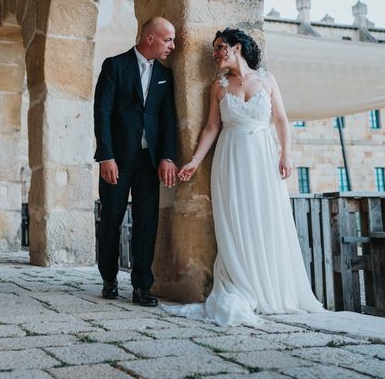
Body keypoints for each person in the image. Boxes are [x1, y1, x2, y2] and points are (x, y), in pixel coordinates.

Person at [165, 27, 323, 326]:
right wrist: (195, 161)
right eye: (214, 49)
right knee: (237, 221)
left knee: (267, 218)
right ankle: (244, 282)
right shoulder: (218, 86)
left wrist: (286, 154)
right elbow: (212, 127)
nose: (215, 54)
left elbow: (281, 120)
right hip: (231, 158)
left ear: (237, 47)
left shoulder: (267, 79)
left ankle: (273, 288)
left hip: (263, 157)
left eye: (219, 47)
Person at [94, 17, 178, 307]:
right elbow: (102, 112)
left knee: (147, 223)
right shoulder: (115, 66)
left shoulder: (165, 75)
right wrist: (106, 155)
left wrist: (167, 157)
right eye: (168, 40)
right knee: (111, 220)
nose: (173, 45)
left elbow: (168, 119)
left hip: (149, 161)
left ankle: (142, 286)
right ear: (151, 38)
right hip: (117, 159)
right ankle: (109, 277)